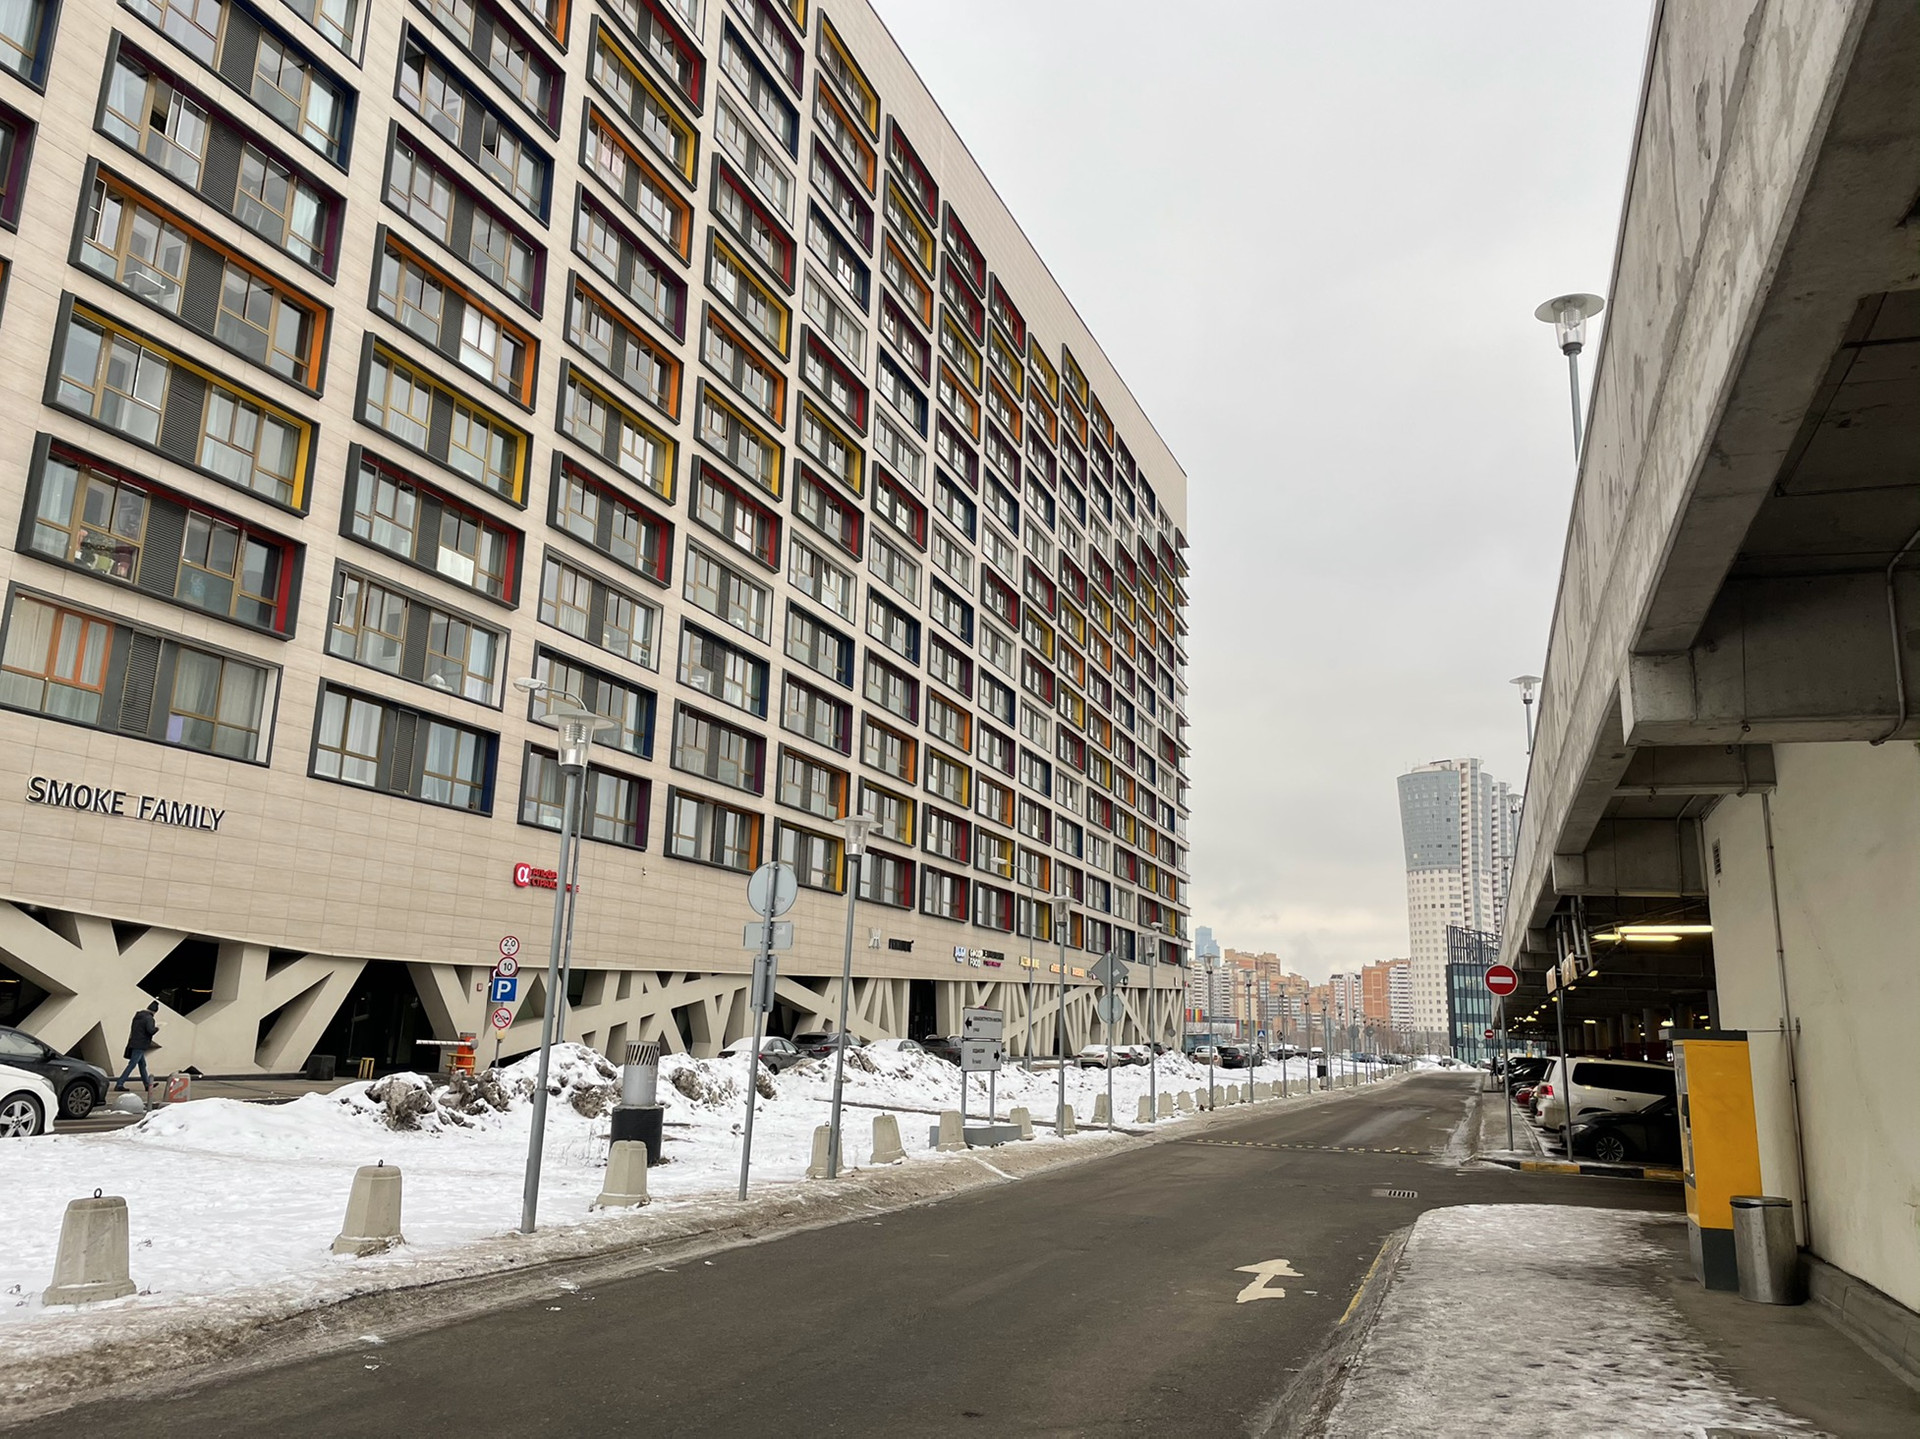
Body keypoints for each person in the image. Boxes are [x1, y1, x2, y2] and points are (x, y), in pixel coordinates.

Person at [115, 1000, 160, 1094]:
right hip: (141, 1044)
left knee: (142, 1065)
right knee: (132, 1064)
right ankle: (119, 1084)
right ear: (154, 1012)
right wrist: (157, 1028)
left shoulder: (137, 1017)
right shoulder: (149, 1018)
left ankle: (147, 1085)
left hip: (134, 1042)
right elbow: (150, 1030)